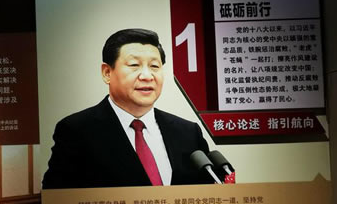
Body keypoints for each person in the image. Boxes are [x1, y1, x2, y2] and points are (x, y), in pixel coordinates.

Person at [41, 28, 211, 190]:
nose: (147, 76)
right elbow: (58, 201)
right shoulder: (76, 131)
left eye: (154, 66)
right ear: (107, 73)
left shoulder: (187, 133)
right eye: (134, 65)